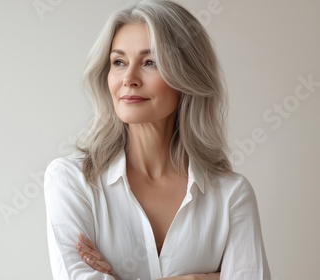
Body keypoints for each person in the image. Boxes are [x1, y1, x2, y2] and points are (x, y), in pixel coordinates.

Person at [43, 0, 271, 279]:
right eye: (119, 62)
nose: (129, 78)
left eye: (150, 62)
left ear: (186, 75)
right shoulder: (71, 180)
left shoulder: (231, 194)